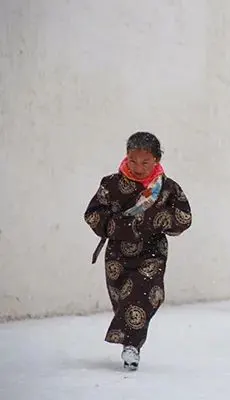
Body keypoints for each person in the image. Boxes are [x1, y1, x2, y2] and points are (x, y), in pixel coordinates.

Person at [84, 132, 192, 370]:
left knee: (145, 293)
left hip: (152, 252)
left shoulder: (167, 188)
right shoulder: (111, 184)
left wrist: (155, 220)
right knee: (123, 297)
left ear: (156, 160)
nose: (138, 167)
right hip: (118, 253)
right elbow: (93, 214)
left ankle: (132, 346)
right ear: (126, 157)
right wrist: (117, 225)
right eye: (133, 160)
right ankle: (129, 339)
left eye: (145, 162)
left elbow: (184, 218)